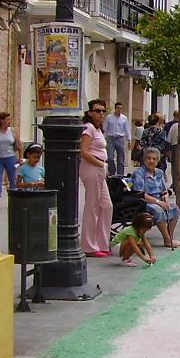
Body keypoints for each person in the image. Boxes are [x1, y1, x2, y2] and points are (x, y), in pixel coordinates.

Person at [80, 99, 113, 257]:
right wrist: (100, 164)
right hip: (92, 168)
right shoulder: (88, 128)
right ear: (90, 112)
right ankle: (89, 246)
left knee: (106, 206)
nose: (101, 114)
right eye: (97, 110)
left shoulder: (99, 130)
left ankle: (102, 242)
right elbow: (84, 151)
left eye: (103, 111)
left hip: (100, 168)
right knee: (92, 206)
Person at [131, 148, 180, 249]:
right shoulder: (139, 173)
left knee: (175, 208)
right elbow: (139, 193)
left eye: (154, 159)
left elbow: (164, 190)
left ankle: (169, 237)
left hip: (159, 200)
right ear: (144, 159)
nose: (151, 161)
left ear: (157, 161)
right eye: (148, 158)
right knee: (158, 210)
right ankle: (167, 240)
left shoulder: (159, 173)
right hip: (145, 202)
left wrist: (165, 198)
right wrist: (158, 202)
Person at [0, 111, 22, 209]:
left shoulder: (12, 130)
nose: (9, 121)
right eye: (7, 119)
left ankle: (13, 201)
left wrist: (20, 158)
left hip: (10, 157)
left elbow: (19, 144)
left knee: (12, 179)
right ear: (1, 120)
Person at [103, 102, 130, 176]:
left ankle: (120, 175)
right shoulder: (109, 117)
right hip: (110, 139)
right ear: (115, 108)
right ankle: (112, 173)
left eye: (120, 108)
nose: (119, 110)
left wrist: (129, 139)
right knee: (110, 158)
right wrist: (103, 139)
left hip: (120, 139)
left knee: (121, 158)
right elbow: (105, 128)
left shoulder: (124, 118)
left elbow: (127, 129)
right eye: (118, 108)